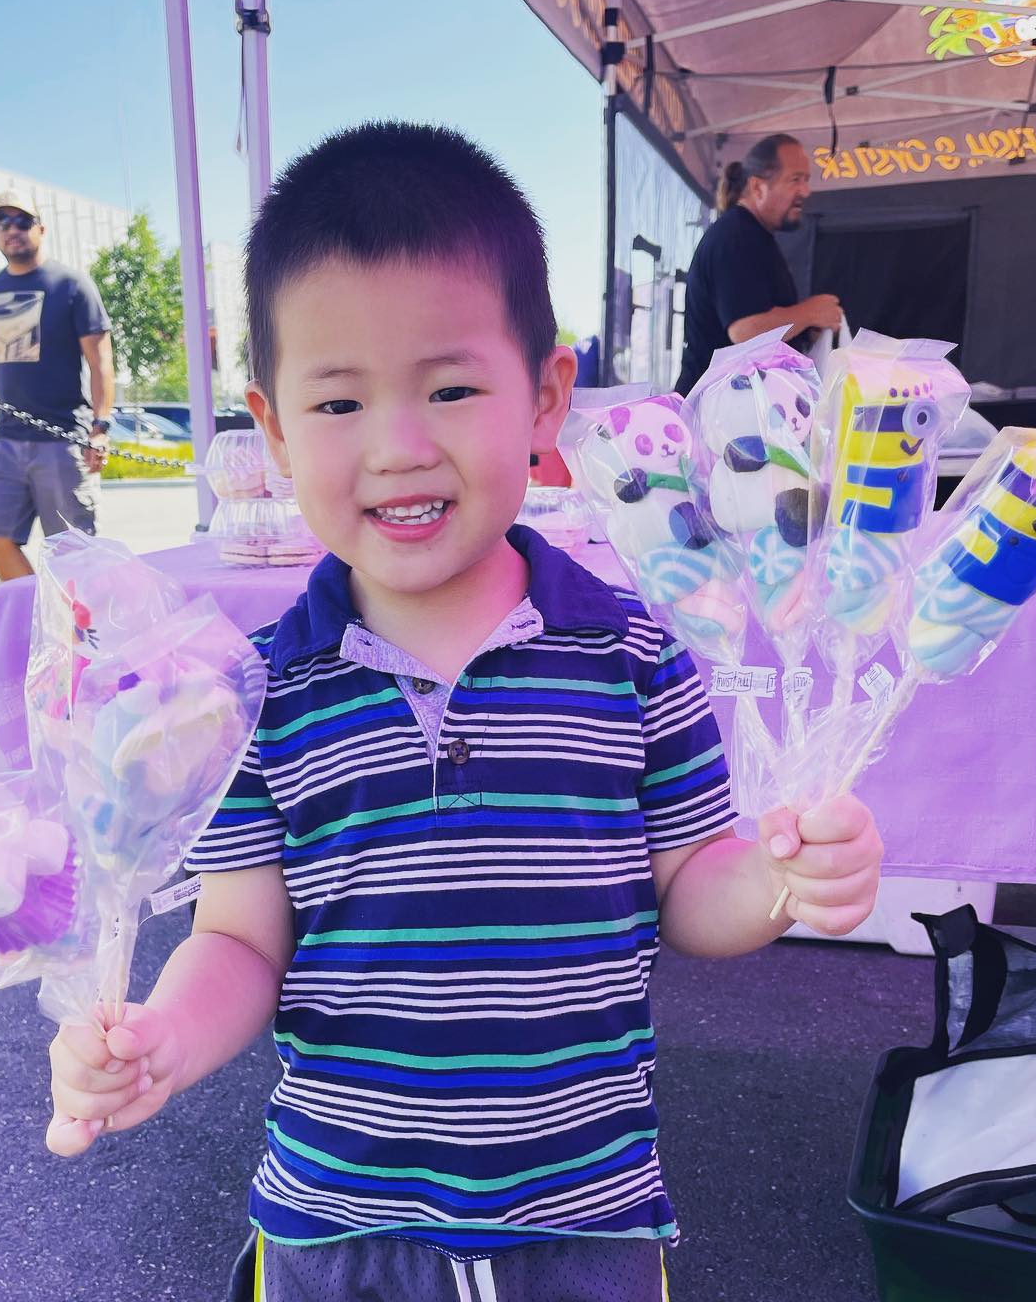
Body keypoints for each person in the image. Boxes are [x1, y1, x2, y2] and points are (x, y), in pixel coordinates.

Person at [44, 123, 882, 1300]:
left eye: (449, 387)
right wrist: (166, 1042)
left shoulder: (636, 650)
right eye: (336, 404)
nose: (396, 447)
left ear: (545, 397)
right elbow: (239, 937)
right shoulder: (252, 694)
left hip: (585, 1212)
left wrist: (789, 878)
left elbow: (692, 886)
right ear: (272, 428)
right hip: (340, 1215)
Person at [0, 189, 114, 581]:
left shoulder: (71, 284)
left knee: (73, 551)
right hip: (6, 439)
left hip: (63, 438)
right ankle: (40, 616)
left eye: (21, 221)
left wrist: (101, 427)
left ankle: (81, 636)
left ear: (41, 228)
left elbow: (101, 362)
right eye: (2, 222)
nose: (12, 230)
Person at [675, 133, 843, 396]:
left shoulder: (753, 235)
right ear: (757, 187)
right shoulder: (736, 236)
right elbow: (745, 331)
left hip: (733, 414)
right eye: (795, 179)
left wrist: (805, 331)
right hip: (713, 418)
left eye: (806, 180)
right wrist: (809, 312)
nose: (805, 191)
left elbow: (762, 320)